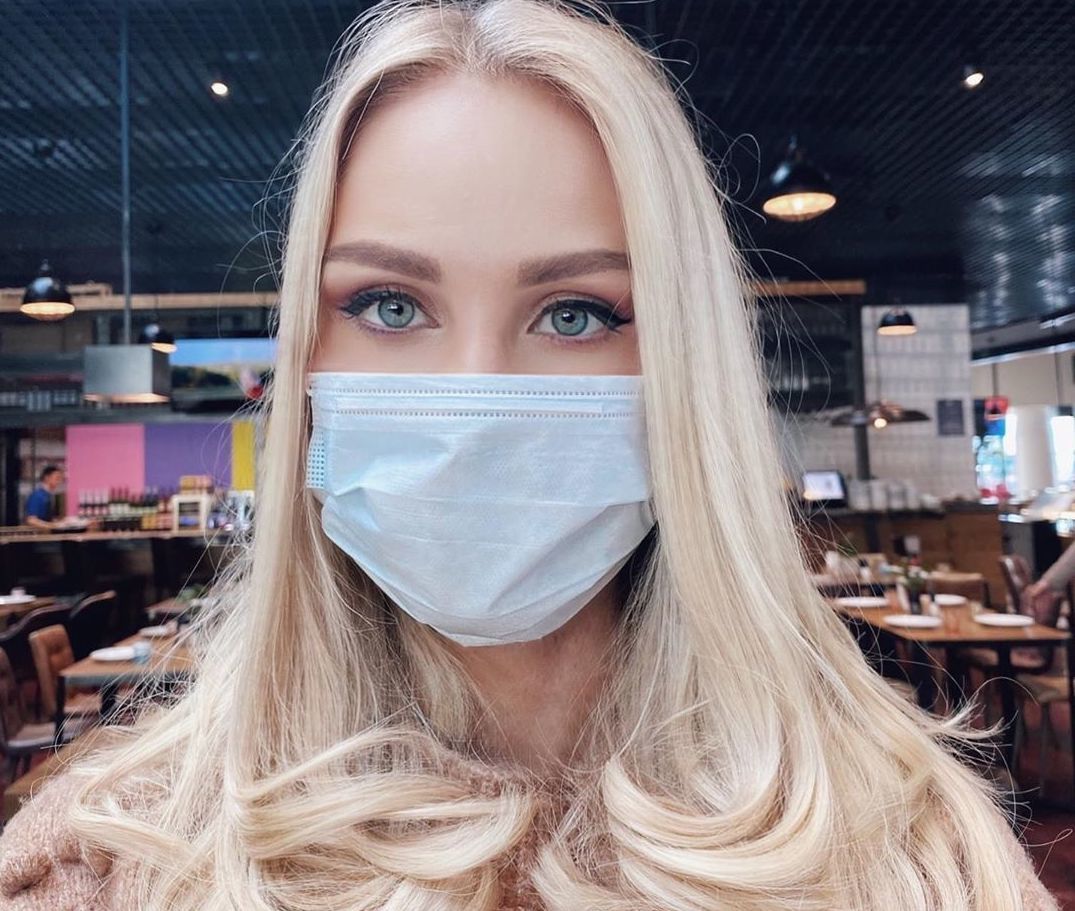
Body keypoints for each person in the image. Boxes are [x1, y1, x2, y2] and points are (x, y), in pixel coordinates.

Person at [0, 2, 1058, 909]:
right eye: (389, 303)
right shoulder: (109, 861)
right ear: (307, 352)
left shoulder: (909, 854)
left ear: (685, 367)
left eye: (575, 313)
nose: (476, 398)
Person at [23, 464, 63, 529]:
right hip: (39, 533)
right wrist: (52, 525)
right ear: (46, 478)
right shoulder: (37, 496)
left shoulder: (50, 495)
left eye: (60, 479)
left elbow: (49, 518)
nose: (59, 482)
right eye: (57, 478)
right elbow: (31, 520)